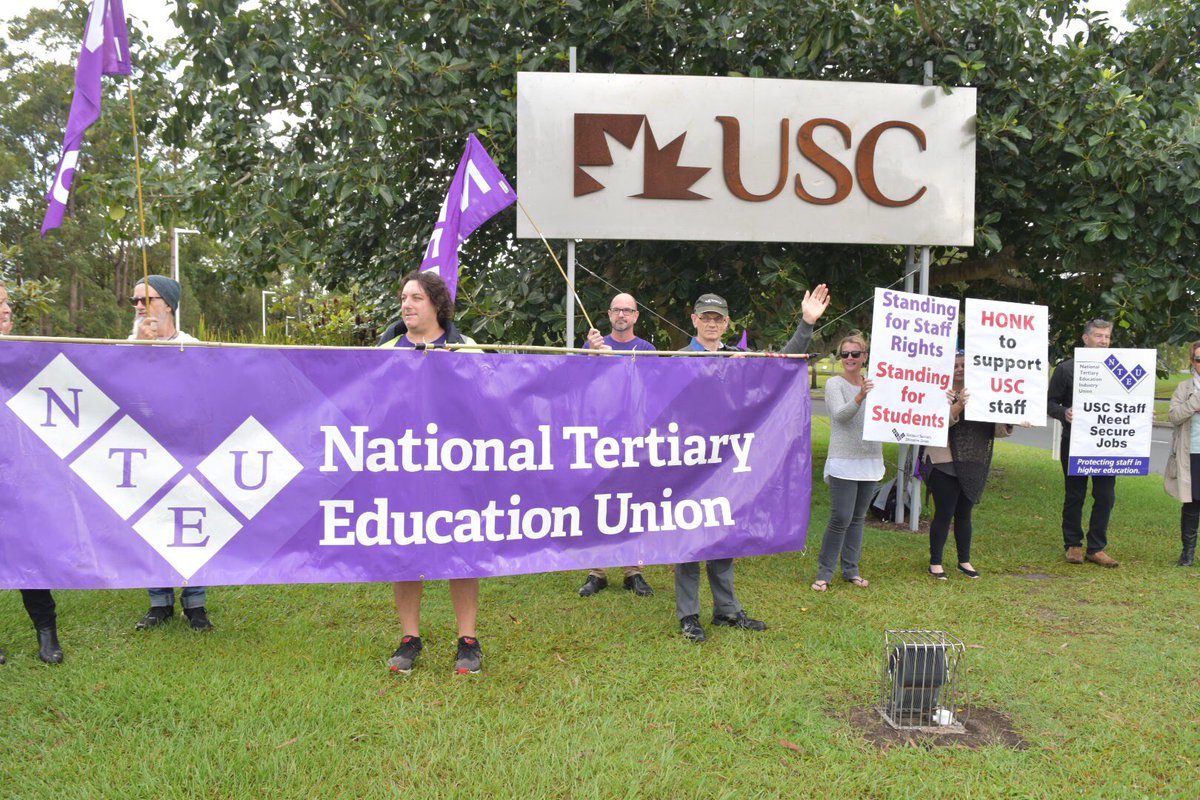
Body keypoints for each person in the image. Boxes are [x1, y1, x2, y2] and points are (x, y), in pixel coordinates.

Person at [676, 286, 830, 640]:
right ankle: (689, 615)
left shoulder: (740, 358)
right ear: (694, 320)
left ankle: (726, 611)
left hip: (728, 466)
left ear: (727, 323)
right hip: (688, 466)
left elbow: (784, 366)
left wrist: (806, 323)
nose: (711, 323)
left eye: (718, 318)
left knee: (723, 539)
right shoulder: (677, 357)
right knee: (685, 541)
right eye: (705, 317)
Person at [377, 270, 484, 675]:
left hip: (456, 469)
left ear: (436, 304)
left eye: (416, 298)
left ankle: (468, 642)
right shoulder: (386, 349)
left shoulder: (467, 348)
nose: (407, 304)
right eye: (404, 297)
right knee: (405, 552)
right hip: (401, 468)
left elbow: (489, 402)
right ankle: (409, 638)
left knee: (461, 552)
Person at [127, 275, 214, 631]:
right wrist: (141, 350)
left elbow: (207, 397)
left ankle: (196, 605)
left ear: (168, 305)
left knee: (194, 522)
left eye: (145, 299)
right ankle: (158, 603)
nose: (138, 307)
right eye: (134, 301)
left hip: (189, 448)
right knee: (152, 523)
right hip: (146, 451)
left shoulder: (192, 346)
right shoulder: (126, 347)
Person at [1, 280, 63, 664]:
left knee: (29, 552)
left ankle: (47, 633)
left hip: (19, 472)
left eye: (6, 302)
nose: (6, 310)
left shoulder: (24, 353)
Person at [578, 292, 657, 597]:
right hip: (600, 436)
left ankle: (633, 570)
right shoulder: (592, 346)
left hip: (635, 436)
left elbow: (651, 391)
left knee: (633, 503)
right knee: (600, 502)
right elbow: (580, 387)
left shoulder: (647, 349)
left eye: (628, 310)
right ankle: (597, 571)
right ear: (609, 315)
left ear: (637, 316)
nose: (622, 315)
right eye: (616, 310)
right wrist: (593, 356)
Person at [923, 353, 1013, 580]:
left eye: (964, 365)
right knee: (944, 513)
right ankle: (936, 563)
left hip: (972, 461)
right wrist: (959, 405)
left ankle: (964, 561)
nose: (960, 369)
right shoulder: (937, 392)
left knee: (964, 514)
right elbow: (937, 424)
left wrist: (1013, 418)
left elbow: (996, 429)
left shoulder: (983, 393)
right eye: (955, 366)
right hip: (943, 460)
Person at [811, 330, 881, 593]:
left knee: (858, 518)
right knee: (841, 516)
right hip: (843, 459)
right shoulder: (834, 384)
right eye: (845, 354)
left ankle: (851, 569)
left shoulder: (875, 383)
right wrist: (861, 396)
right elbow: (840, 416)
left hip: (871, 458)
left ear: (864, 356)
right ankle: (824, 572)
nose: (849, 358)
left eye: (855, 354)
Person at [1047, 319, 1119, 567]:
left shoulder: (1119, 368)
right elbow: (1050, 403)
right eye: (1099, 336)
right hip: (1075, 442)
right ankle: (1073, 545)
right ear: (1086, 338)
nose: (1103, 341)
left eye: (1107, 337)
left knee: (1106, 496)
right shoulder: (1066, 369)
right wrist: (1063, 412)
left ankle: (1096, 548)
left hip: (1107, 446)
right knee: (1075, 494)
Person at [1165, 340, 1200, 567]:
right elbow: (1174, 416)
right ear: (1192, 361)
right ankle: (1187, 553)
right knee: (1192, 503)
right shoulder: (1185, 388)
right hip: (1192, 453)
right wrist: (1195, 402)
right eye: (1199, 359)